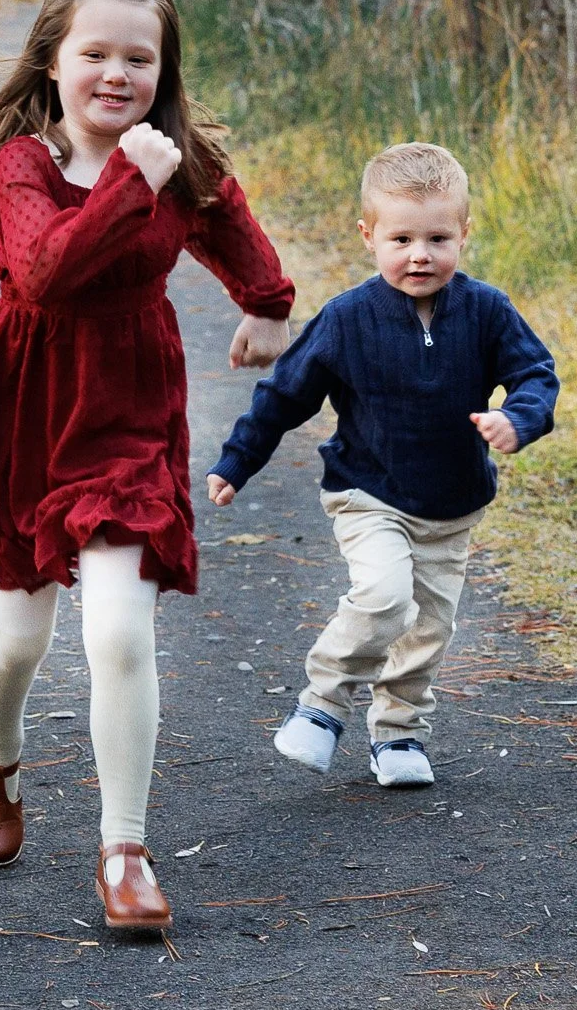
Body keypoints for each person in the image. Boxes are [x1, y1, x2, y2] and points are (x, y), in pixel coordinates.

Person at [0, 0, 293, 931]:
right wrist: (133, 179)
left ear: (163, 67)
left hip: (129, 416)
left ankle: (124, 850)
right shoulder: (27, 163)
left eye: (139, 56)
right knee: (18, 637)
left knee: (120, 631)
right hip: (28, 412)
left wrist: (265, 303)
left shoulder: (173, 157)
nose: (116, 72)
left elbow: (227, 219)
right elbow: (44, 272)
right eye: (94, 52)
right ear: (53, 59)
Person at [206, 141, 557, 789]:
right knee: (384, 596)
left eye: (436, 238)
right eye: (400, 238)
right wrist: (238, 460)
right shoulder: (345, 319)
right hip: (367, 492)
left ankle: (397, 735)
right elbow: (284, 393)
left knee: (428, 624)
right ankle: (320, 706)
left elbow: (534, 374)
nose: (418, 254)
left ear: (463, 234)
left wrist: (518, 419)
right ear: (368, 237)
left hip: (452, 502)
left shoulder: (486, 311)